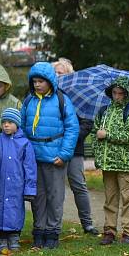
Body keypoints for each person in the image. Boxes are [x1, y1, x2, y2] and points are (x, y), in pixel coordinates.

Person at [20, 62, 79, 249]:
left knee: (55, 197)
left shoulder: (62, 100)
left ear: (50, 81)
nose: (37, 85)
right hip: (33, 158)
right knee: (37, 197)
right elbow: (21, 128)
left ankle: (52, 233)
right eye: (34, 81)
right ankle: (39, 231)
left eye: (41, 81)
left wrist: (65, 154)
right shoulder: (29, 101)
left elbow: (72, 128)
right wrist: (24, 154)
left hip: (55, 158)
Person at [52, 58, 99, 235]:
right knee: (55, 188)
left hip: (74, 150)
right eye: (55, 73)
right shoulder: (50, 97)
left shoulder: (79, 98)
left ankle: (87, 223)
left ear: (69, 75)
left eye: (61, 73)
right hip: (54, 148)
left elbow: (87, 123)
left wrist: (70, 139)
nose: (58, 76)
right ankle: (54, 225)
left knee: (78, 185)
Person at [92, 76, 129, 245]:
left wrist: (108, 135)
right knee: (110, 199)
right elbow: (95, 133)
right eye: (114, 92)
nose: (117, 96)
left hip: (125, 164)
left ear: (127, 94)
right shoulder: (103, 111)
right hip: (108, 164)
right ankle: (109, 231)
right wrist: (99, 154)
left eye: (121, 93)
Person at [0, 108, 37, 253]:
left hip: (17, 185)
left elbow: (30, 167)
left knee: (15, 211)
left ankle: (14, 237)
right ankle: (0, 238)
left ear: (17, 124)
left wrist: (29, 189)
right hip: (0, 184)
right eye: (4, 122)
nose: (6, 125)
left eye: (10, 122)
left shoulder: (25, 143)